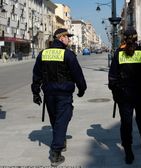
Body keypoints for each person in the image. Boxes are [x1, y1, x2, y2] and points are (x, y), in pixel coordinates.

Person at [31, 28, 87, 167]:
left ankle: (60, 140)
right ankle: (56, 152)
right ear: (61, 38)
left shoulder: (43, 54)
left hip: (49, 94)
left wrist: (35, 92)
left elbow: (36, 74)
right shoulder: (68, 54)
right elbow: (77, 74)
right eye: (67, 37)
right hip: (63, 94)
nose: (69, 39)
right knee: (62, 120)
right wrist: (82, 88)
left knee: (56, 119)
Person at [108, 27, 141, 164]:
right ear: (136, 38)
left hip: (124, 95)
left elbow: (112, 78)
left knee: (126, 123)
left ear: (124, 38)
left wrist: (115, 93)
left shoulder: (118, 54)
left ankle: (128, 151)